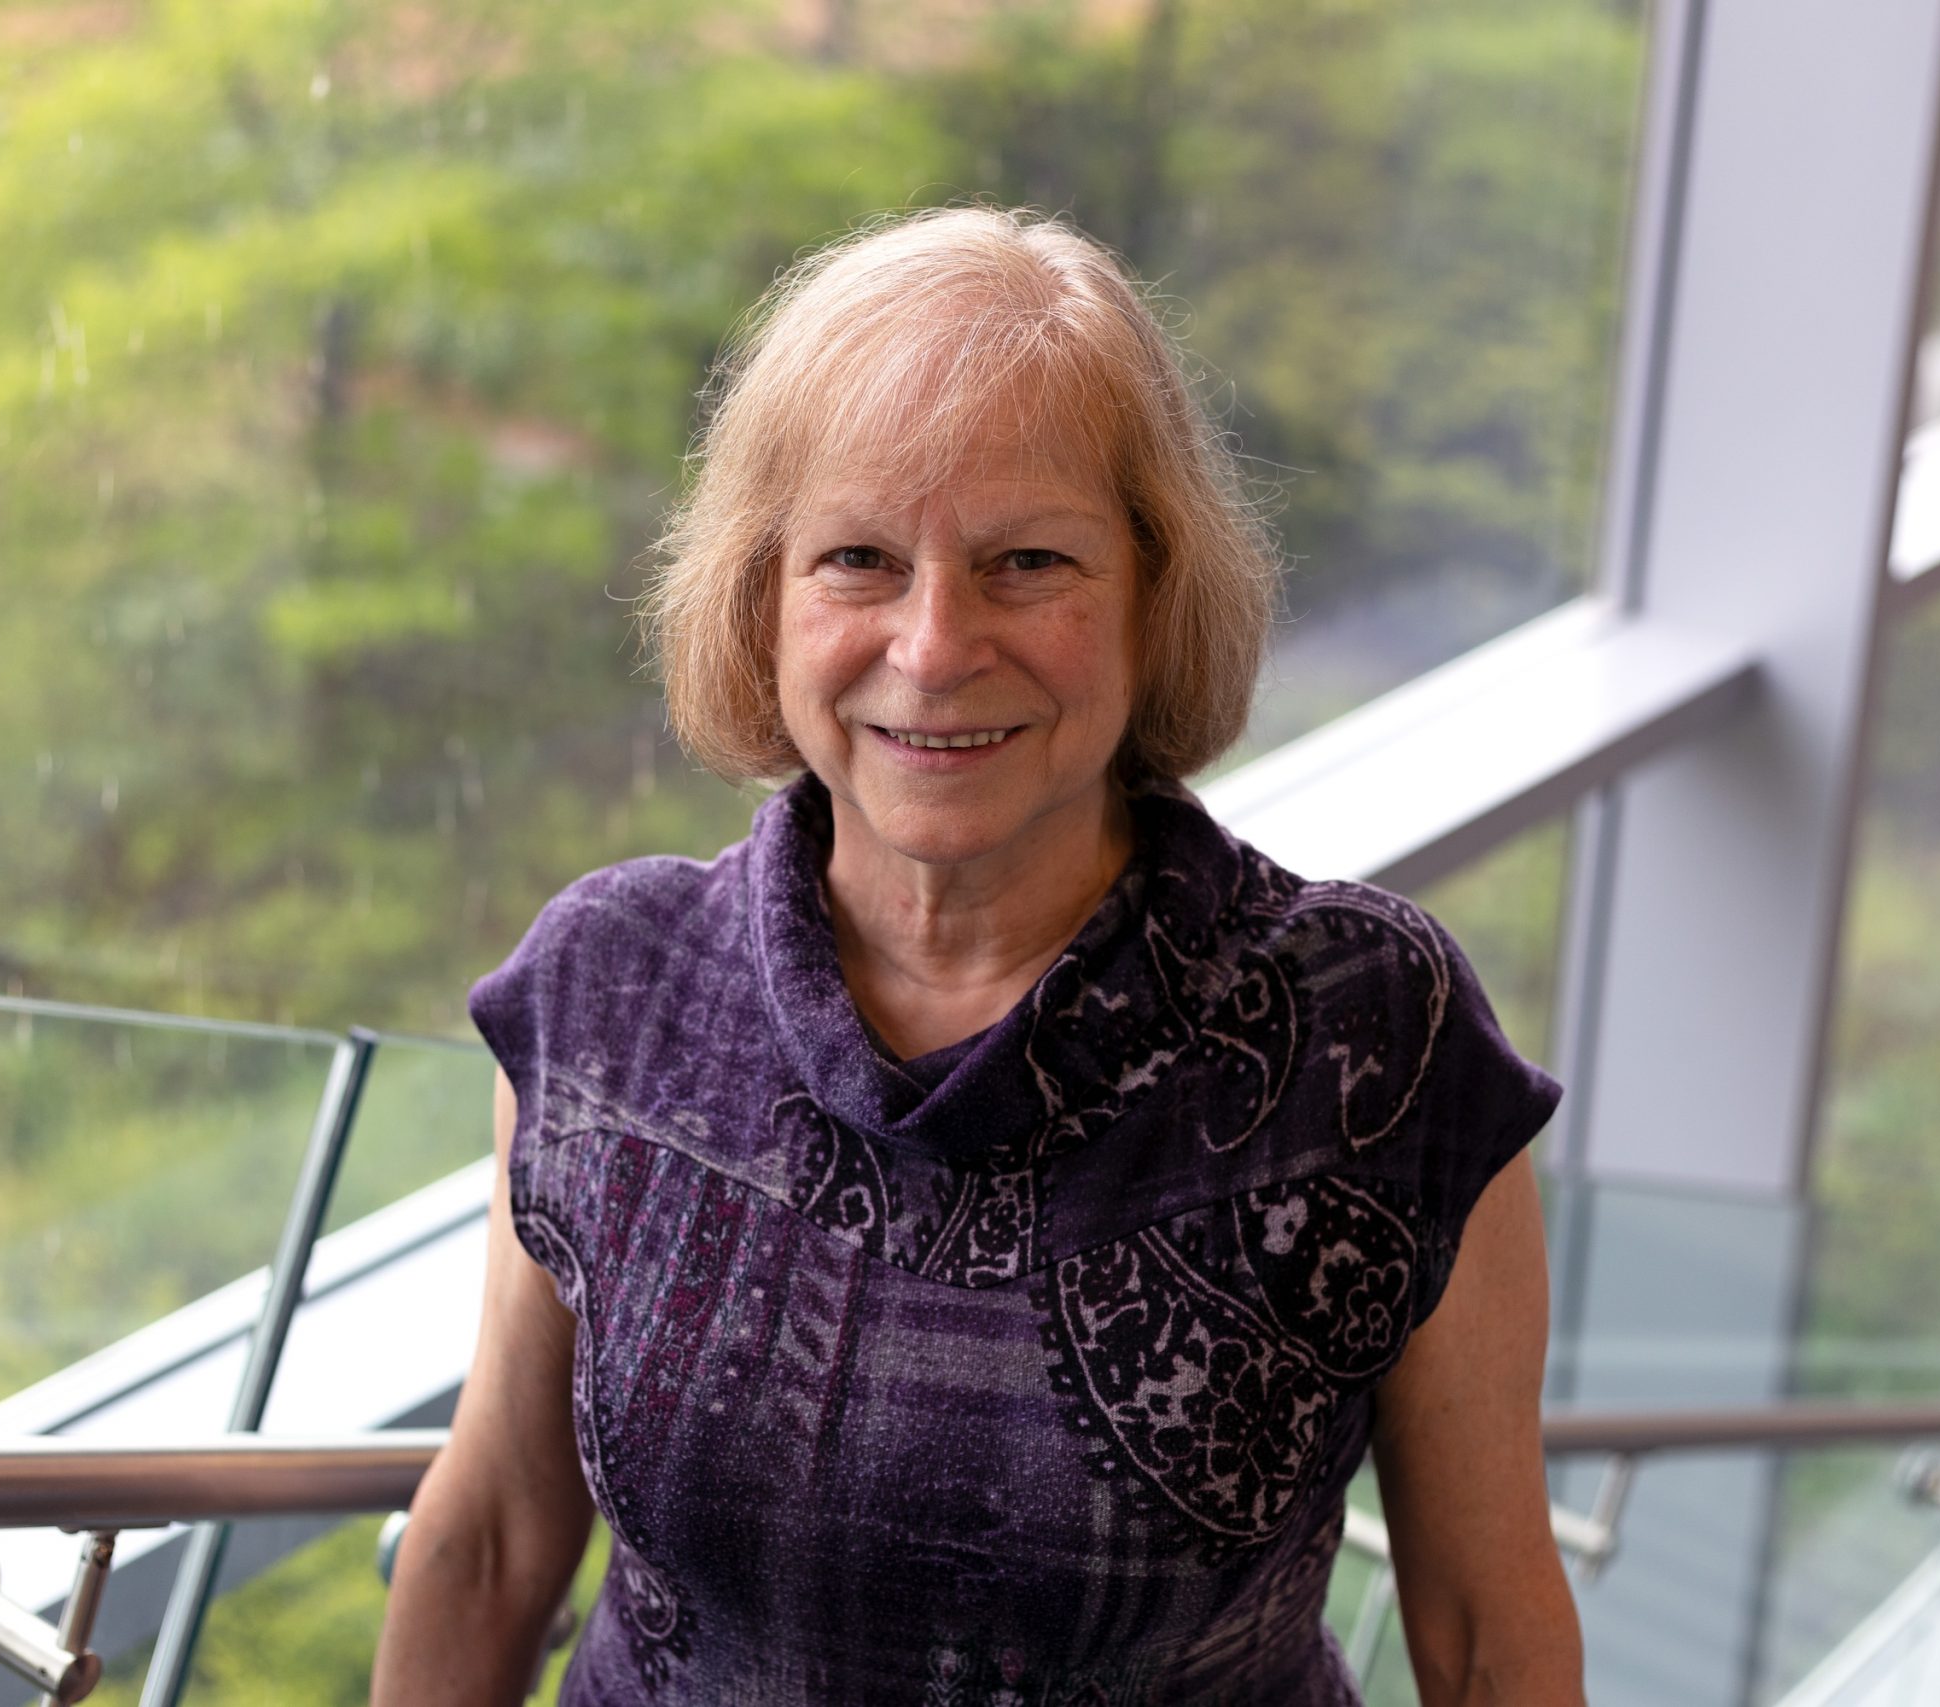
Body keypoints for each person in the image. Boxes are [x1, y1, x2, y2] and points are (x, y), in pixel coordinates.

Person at [370, 207, 1584, 1706]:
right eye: (860, 559)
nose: (936, 647)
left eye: (1026, 561)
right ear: (766, 598)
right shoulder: (612, 993)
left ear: (1154, 588)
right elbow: (491, 1539)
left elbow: (1480, 1636)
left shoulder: (1369, 1040)